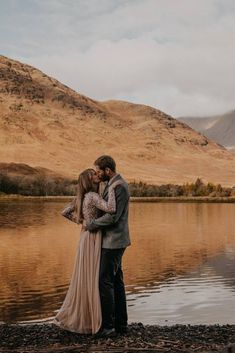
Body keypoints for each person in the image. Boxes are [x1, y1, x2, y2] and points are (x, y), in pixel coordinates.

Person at [52, 168, 122, 334]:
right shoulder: (92, 196)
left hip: (85, 236)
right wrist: (112, 188)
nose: (97, 175)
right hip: (93, 237)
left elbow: (65, 212)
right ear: (89, 181)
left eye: (96, 173)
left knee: (87, 276)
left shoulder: (82, 197)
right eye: (93, 175)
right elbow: (111, 208)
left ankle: (87, 316)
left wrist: (81, 221)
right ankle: (90, 319)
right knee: (92, 276)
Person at [85, 155, 131, 338]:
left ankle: (109, 327)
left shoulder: (119, 186)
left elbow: (113, 217)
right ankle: (121, 325)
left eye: (98, 171)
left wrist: (92, 224)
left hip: (114, 242)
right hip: (114, 241)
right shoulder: (113, 184)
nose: (97, 174)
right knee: (116, 282)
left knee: (104, 282)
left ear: (107, 170)